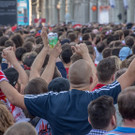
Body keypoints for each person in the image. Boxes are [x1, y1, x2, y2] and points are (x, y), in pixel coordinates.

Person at [1, 34, 135, 134]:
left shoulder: (51, 100)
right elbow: (130, 74)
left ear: (68, 77)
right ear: (90, 80)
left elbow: (14, 98)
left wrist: (1, 74)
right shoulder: (98, 99)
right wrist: (86, 54)